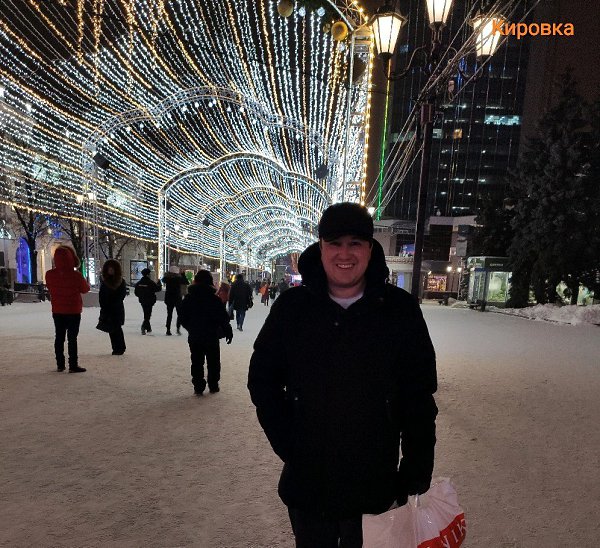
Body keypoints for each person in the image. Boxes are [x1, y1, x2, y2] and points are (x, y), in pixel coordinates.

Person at [248, 202, 438, 548]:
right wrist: (290, 444)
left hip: (375, 486)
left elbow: (419, 397)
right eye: (334, 243)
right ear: (321, 247)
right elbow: (263, 380)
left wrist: (415, 471)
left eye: (355, 243)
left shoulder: (398, 311)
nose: (345, 254)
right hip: (309, 487)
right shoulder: (293, 309)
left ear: (370, 248)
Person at [179, 270, 233, 395]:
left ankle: (198, 385)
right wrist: (227, 331)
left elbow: (182, 317)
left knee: (196, 361)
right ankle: (213, 384)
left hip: (195, 335)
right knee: (213, 361)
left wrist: (190, 328)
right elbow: (223, 318)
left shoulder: (188, 299)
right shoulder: (214, 299)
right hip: (211, 335)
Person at [45, 246, 90, 372]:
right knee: (72, 338)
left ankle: (60, 364)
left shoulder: (50, 274)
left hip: (57, 310)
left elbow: (50, 288)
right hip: (73, 310)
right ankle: (73, 364)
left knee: (59, 337)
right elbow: (85, 289)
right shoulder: (76, 275)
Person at [99, 259, 127, 355]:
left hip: (116, 309)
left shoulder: (120, 282)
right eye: (109, 269)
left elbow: (121, 296)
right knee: (111, 328)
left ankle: (120, 347)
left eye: (112, 269)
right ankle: (116, 348)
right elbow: (101, 296)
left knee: (117, 328)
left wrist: (113, 304)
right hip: (108, 309)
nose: (110, 270)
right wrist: (104, 306)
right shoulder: (105, 282)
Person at [134, 268, 162, 335]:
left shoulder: (139, 283)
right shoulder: (150, 282)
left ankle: (148, 328)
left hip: (142, 301)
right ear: (148, 274)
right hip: (149, 301)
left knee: (146, 314)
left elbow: (136, 292)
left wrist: (141, 296)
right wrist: (159, 283)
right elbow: (158, 289)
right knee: (147, 315)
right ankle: (143, 327)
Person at [162, 266, 186, 336]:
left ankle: (168, 329)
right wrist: (183, 274)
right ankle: (178, 328)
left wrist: (167, 274)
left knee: (169, 314)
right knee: (179, 314)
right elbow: (186, 281)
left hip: (169, 298)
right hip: (177, 298)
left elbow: (163, 279)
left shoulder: (167, 278)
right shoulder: (179, 279)